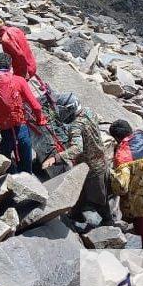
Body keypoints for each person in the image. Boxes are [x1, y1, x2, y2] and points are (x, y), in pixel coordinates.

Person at [42, 93, 112, 224]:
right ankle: (76, 214)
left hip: (91, 167)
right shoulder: (89, 112)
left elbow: (77, 148)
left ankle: (108, 221)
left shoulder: (76, 126)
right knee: (83, 191)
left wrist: (56, 158)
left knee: (98, 198)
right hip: (100, 160)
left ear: (70, 108)